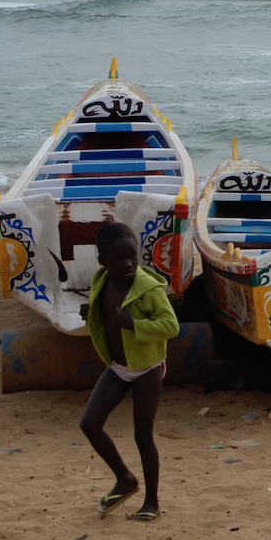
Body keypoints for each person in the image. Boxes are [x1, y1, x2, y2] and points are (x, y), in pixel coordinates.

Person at [79, 220, 179, 521]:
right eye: (118, 259)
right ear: (103, 262)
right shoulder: (102, 281)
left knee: (142, 436)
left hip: (147, 368)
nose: (128, 264)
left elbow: (171, 326)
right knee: (89, 424)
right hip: (119, 367)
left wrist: (134, 325)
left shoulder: (148, 288)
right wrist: (89, 313)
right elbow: (104, 313)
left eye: (132, 256)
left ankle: (151, 502)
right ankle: (125, 479)